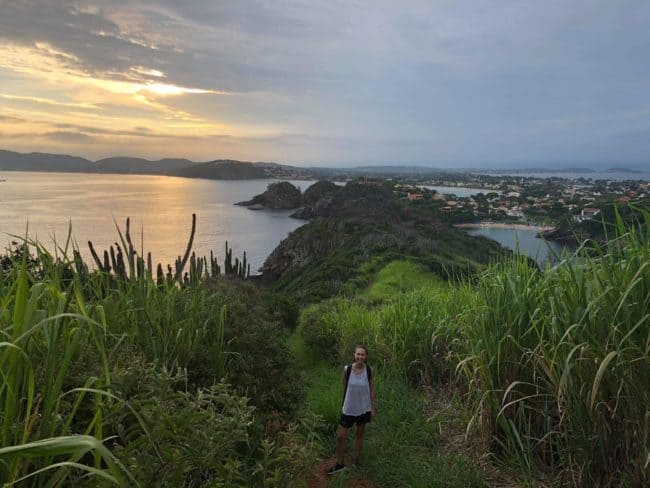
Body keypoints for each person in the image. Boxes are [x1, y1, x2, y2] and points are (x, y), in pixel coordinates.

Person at [327, 345, 376, 475]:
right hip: (348, 408)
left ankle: (355, 461)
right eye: (358, 354)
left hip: (364, 408)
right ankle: (340, 464)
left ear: (366, 357)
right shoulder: (347, 369)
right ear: (354, 355)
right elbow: (344, 388)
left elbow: (371, 390)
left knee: (359, 435)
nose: (360, 357)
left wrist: (372, 408)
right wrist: (344, 404)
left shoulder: (370, 370)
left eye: (363, 355)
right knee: (340, 437)